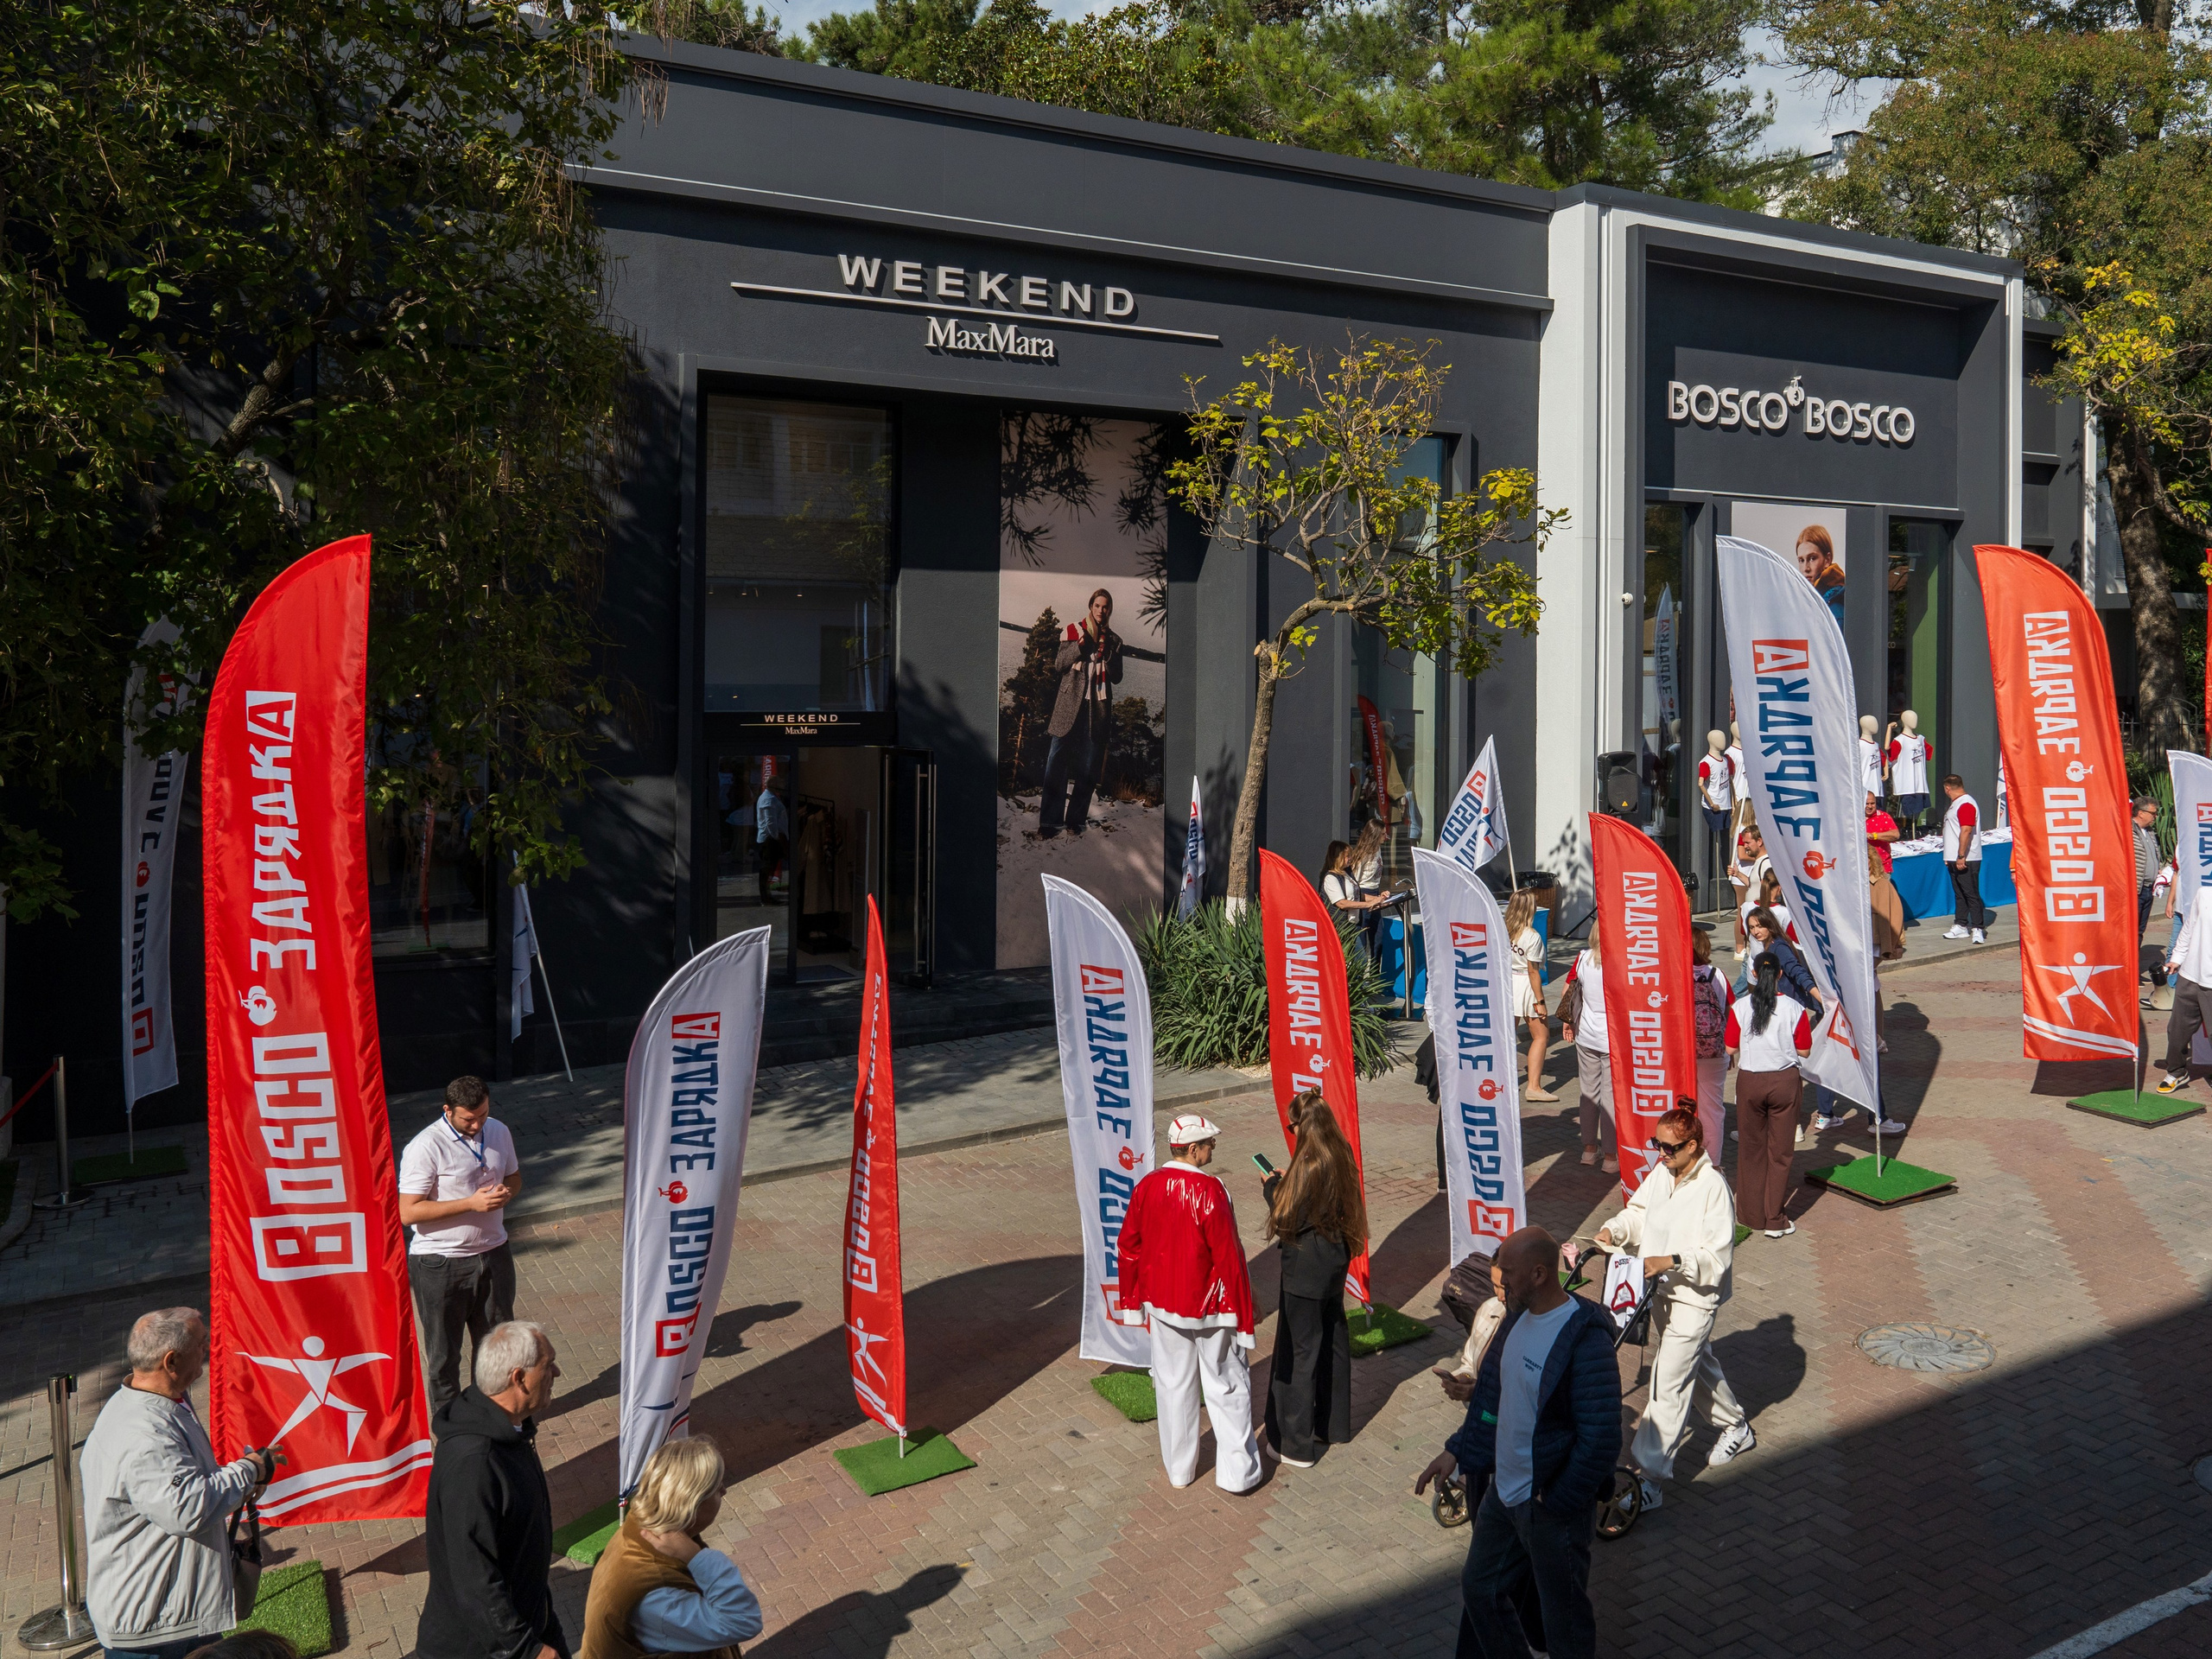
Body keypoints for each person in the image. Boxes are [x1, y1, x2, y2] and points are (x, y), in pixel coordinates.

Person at [1414, 1227, 1621, 1659]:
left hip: (1548, 1505)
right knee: (1481, 1590)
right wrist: (1456, 1450)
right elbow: (1491, 1396)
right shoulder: (1512, 1318)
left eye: (1507, 1274)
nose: (1499, 1282)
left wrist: (1557, 1500)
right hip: (1503, 1497)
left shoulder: (1585, 1338)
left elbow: (1601, 1439)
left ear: (1540, 1274)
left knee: (1564, 1622)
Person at [82, 1307, 281, 1659]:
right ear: (171, 1362)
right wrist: (248, 1472)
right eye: (202, 1344)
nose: (209, 1349)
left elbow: (181, 1487)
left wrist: (238, 1485)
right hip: (154, 1628)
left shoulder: (160, 1402)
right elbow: (188, 1509)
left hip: (171, 1611)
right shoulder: (146, 1434)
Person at [1586, 1108, 1753, 1510]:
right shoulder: (1663, 1173)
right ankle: (1736, 1426)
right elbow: (1639, 1214)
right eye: (1655, 1143)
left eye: (1668, 1146)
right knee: (1697, 1365)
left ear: (1693, 1146)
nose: (1660, 1152)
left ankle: (1651, 1480)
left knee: (1668, 1383)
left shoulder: (1714, 1188)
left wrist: (1671, 1260)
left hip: (1695, 1297)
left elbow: (1717, 1255)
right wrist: (1615, 1229)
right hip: (1657, 1293)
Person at [1116, 1114, 1262, 1492]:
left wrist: (1133, 1300)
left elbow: (1129, 1246)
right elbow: (1229, 1257)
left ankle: (1179, 1471)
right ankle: (1238, 1474)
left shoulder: (1147, 1186)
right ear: (1193, 1149)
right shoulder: (1212, 1191)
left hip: (1163, 1305)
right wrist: (1245, 1317)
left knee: (1172, 1386)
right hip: (1213, 1307)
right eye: (1210, 1143)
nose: (1214, 1147)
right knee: (1227, 1385)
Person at [418, 1321, 568, 1659]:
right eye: (548, 1365)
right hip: (485, 1648)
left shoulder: (508, 1431)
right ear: (519, 1378)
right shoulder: (475, 1462)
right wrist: (526, 1649)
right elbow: (474, 1576)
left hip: (530, 1621)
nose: (557, 1372)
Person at [400, 1074, 524, 1408]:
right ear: (448, 1110)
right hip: (441, 1264)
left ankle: (492, 1418)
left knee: (496, 1349)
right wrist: (471, 1203)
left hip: (494, 1254)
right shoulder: (425, 1146)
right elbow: (408, 1212)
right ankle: (451, 1432)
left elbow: (513, 1176)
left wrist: (507, 1193)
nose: (477, 1124)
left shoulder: (498, 1130)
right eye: (469, 1118)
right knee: (444, 1356)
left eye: (482, 1114)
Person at [580, 1437, 762, 1659]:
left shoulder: (638, 1527)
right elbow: (743, 1621)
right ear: (691, 1503)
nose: (724, 1490)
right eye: (716, 1487)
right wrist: (698, 1558)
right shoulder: (660, 1597)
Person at [1258, 1092, 1366, 1468]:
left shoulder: (1307, 1161)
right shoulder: (1339, 1151)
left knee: (1297, 1354)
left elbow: (1287, 1217)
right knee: (1333, 1342)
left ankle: (1295, 1445)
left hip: (1304, 1271)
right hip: (1335, 1264)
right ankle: (1332, 1426)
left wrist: (1272, 1187)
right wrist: (1293, 1182)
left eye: (1292, 1126)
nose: (1291, 1132)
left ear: (1302, 1125)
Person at [1730, 953, 1815, 1237]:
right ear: (1780, 975)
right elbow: (1804, 1051)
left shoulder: (1740, 1006)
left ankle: (1750, 1214)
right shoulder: (1794, 1008)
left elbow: (1730, 1048)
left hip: (1750, 1082)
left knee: (1751, 1151)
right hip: (1784, 1082)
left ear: (1753, 974)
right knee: (1780, 1153)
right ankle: (1775, 1219)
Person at [1038, 587, 1122, 839]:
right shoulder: (1074, 631)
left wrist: (1109, 656)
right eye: (1097, 606)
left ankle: (1075, 821)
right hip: (1068, 707)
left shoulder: (1116, 642)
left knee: (1088, 767)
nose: (1101, 610)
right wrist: (1080, 647)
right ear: (1090, 606)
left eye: (1105, 606)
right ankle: (1050, 823)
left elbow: (1116, 677)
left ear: (1110, 610)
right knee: (1056, 763)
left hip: (1096, 710)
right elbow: (1059, 664)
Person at [1560, 917, 1615, 1172]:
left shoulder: (1582, 958)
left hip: (1586, 1034)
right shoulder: (1619, 963)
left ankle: (1589, 1150)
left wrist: (1567, 1021)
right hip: (1612, 1038)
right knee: (1610, 1097)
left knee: (1588, 1093)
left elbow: (1568, 990)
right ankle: (1611, 1157)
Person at [2157, 887, 2212, 1096]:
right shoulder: (2204, 893)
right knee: (2177, 1030)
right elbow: (2189, 928)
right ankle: (2177, 1072)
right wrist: (2177, 958)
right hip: (2189, 976)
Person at [1505, 888, 1558, 1102]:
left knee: (1507, 1037)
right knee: (1541, 1036)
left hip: (1507, 984)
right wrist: (1541, 1001)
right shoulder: (1532, 936)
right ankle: (1534, 1087)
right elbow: (1533, 972)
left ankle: (1503, 1081)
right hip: (1525, 987)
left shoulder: (1503, 929)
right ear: (1530, 909)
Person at [1688, 928, 1733, 1157]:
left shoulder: (1674, 974)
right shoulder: (1718, 975)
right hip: (1715, 1051)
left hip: (1683, 1051)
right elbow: (1728, 1011)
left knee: (1681, 1108)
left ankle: (1684, 1159)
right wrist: (1731, 1048)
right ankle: (1713, 1162)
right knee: (1713, 1110)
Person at [1940, 773, 1986, 944]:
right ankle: (1961, 925)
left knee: (1971, 894)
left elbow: (1966, 830)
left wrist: (1961, 856)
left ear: (1947, 788)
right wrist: (1950, 856)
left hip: (1966, 858)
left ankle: (1978, 928)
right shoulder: (1956, 804)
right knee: (1959, 894)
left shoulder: (1966, 803)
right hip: (1953, 857)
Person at [1867, 791, 1907, 963]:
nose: (1869, 807)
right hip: (1862, 870)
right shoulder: (1853, 817)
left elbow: (1895, 834)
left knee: (1882, 907)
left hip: (1881, 868)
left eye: (1872, 804)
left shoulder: (1883, 817)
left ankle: (1887, 940)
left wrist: (1874, 836)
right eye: (1867, 804)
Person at [2134, 797, 2163, 987]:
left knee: (2139, 931)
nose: (2155, 817)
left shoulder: (2149, 832)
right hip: (2133, 890)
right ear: (2141, 812)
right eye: (2153, 813)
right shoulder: (2127, 830)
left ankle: (2134, 970)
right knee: (2129, 932)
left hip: (2147, 889)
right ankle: (2126, 972)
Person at [1796, 524, 1846, 629]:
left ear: (1827, 560)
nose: (1806, 568)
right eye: (1801, 560)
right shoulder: (1802, 602)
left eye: (1812, 558)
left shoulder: (1835, 611)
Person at [753, 775, 787, 903]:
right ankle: (765, 897)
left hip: (771, 839)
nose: (783, 787)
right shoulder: (769, 799)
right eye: (781, 784)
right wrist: (777, 838)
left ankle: (767, 896)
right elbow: (770, 822)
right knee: (767, 868)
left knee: (769, 868)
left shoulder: (771, 797)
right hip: (770, 840)